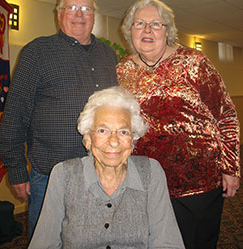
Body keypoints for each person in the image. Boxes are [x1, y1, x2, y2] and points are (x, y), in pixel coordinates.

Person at [116, 0, 241, 249]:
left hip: (198, 182)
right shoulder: (123, 70)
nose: (147, 30)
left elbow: (225, 114)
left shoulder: (195, 62)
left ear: (168, 31)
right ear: (130, 31)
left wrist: (231, 167)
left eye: (156, 24)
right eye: (140, 23)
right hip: (147, 181)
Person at [0, 0, 118, 237]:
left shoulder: (109, 55)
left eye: (86, 8)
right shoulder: (37, 52)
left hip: (101, 175)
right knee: (48, 242)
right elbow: (15, 114)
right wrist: (17, 170)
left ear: (94, 14)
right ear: (59, 13)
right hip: (52, 178)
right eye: (71, 7)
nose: (79, 14)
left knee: (95, 239)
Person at [28, 86, 185, 249]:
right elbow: (44, 244)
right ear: (88, 139)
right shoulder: (64, 174)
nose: (114, 141)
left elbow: (167, 243)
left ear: (133, 140)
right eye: (103, 130)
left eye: (123, 132)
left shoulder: (151, 172)